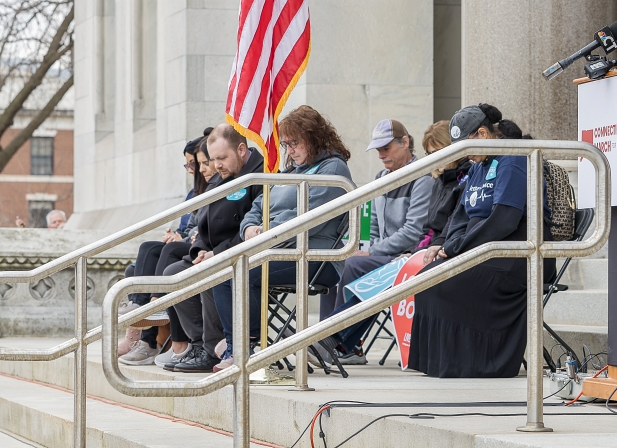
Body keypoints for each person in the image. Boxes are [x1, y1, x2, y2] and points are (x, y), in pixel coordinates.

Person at [407, 104, 552, 378]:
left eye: (464, 147)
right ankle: (443, 363)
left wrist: (457, 248)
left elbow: (505, 219)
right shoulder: (478, 165)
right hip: (483, 248)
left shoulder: (513, 157)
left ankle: (478, 363)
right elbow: (460, 217)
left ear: (483, 133)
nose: (464, 155)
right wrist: (445, 245)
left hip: (516, 252)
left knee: (444, 283)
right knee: (425, 278)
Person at [214, 106, 353, 372]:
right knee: (219, 271)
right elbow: (258, 204)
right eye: (286, 144)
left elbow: (306, 216)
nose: (289, 151)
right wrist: (250, 228)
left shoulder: (333, 168)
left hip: (315, 257)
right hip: (277, 248)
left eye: (294, 143)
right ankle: (236, 347)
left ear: (313, 138)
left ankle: (247, 349)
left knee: (240, 272)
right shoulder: (292, 169)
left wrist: (265, 232)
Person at [318, 118, 433, 365]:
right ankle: (327, 338)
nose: (381, 154)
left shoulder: (422, 177)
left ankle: (341, 343)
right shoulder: (381, 176)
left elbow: (412, 232)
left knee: (353, 265)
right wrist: (364, 249)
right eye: (378, 149)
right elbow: (374, 225)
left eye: (386, 148)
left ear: (405, 143)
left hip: (412, 256)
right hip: (386, 255)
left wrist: (371, 253)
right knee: (333, 263)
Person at [162, 124, 265, 372]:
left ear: (241, 150)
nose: (216, 165)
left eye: (221, 158)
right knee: (173, 274)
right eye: (213, 159)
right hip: (212, 250)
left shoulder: (260, 174)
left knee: (211, 273)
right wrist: (198, 250)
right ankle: (199, 343)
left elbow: (250, 226)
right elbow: (202, 220)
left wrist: (215, 254)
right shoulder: (219, 178)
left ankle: (212, 349)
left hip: (241, 253)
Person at [118, 133, 212, 366]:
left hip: (200, 248)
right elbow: (189, 226)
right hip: (188, 243)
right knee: (138, 264)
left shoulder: (216, 186)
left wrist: (185, 236)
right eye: (190, 163)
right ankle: (144, 332)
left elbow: (203, 227)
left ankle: (152, 311)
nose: (193, 168)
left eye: (197, 163)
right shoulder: (195, 191)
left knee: (166, 260)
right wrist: (177, 235)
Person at [418, 121, 471, 251]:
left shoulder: (469, 176)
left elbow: (455, 223)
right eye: (430, 154)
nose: (435, 158)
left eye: (439, 152)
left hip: (447, 249)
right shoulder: (439, 180)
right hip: (430, 249)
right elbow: (429, 229)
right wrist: (412, 252)